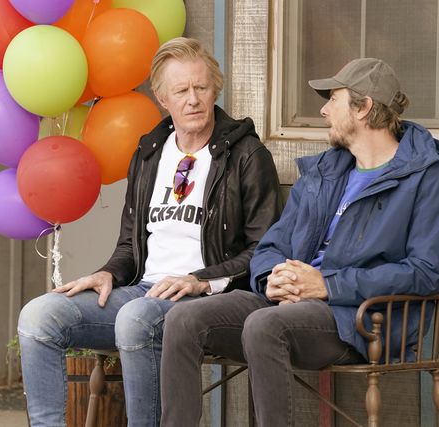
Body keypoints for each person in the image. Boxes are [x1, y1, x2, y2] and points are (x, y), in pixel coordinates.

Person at [159, 58, 439, 426]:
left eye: (333, 99)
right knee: (184, 318)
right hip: (287, 303)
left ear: (363, 108)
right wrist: (272, 278)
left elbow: (426, 272)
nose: (323, 110)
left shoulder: (432, 178)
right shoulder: (325, 171)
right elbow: (272, 245)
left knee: (265, 326)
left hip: (360, 318)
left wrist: (327, 285)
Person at [17, 37, 281, 427]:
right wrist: (108, 272)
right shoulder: (150, 153)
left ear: (215, 90)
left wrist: (199, 279)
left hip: (210, 300)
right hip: (144, 291)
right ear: (162, 98)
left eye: (201, 87)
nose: (193, 100)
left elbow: (264, 250)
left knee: (136, 318)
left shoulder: (245, 155)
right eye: (181, 91)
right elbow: (131, 242)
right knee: (39, 317)